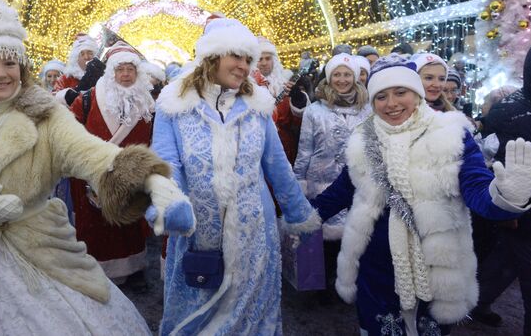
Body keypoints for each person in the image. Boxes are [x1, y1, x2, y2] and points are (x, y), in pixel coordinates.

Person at [0, 0, 194, 334]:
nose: (0, 73)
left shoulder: (45, 114)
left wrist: (152, 181)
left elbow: (92, 153)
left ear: (21, 65)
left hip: (43, 250)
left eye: (9, 62)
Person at [311, 54, 531, 335]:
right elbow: (343, 189)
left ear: (416, 94)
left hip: (435, 267)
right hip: (377, 268)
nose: (391, 103)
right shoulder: (363, 138)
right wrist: (305, 215)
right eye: (381, 96)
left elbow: (477, 190)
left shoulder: (451, 134)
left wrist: (507, 196)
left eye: (400, 92)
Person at [152, 18, 320, 335]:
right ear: (212, 56)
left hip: (255, 237)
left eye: (248, 59)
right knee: (198, 320)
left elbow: (277, 166)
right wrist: (169, 203)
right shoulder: (174, 105)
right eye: (236, 57)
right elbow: (164, 162)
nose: (244, 66)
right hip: (196, 238)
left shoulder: (256, 106)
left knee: (251, 323)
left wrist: (300, 214)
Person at [68, 41, 157, 286]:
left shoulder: (148, 103)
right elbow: (70, 134)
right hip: (93, 173)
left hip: (133, 174)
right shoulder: (88, 99)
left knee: (130, 223)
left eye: (131, 69)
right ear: (112, 72)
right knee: (97, 227)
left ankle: (134, 267)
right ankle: (97, 272)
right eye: (121, 69)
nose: (126, 74)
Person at [294, 53, 371, 294]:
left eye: (347, 74)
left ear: (355, 77)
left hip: (357, 183)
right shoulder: (315, 111)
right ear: (329, 77)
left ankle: (349, 283)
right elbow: (304, 148)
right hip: (321, 183)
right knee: (324, 239)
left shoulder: (368, 109)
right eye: (336, 74)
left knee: (355, 236)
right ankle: (323, 286)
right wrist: (300, 181)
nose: (342, 79)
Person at [475, 46, 531, 335]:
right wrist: (506, 211)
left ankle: (477, 302)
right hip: (524, 211)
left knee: (506, 263)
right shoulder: (509, 111)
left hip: (525, 215)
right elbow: (496, 164)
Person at [252, 36, 308, 165]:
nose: (264, 63)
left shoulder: (287, 84)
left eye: (268, 58)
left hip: (285, 149)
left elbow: (301, 124)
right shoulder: (245, 87)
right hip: (258, 150)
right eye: (260, 59)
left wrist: (298, 100)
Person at [53, 33, 104, 106]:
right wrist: (78, 89)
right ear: (76, 58)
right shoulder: (65, 79)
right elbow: (54, 100)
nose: (86, 57)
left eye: (90, 53)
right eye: (82, 54)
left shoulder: (104, 77)